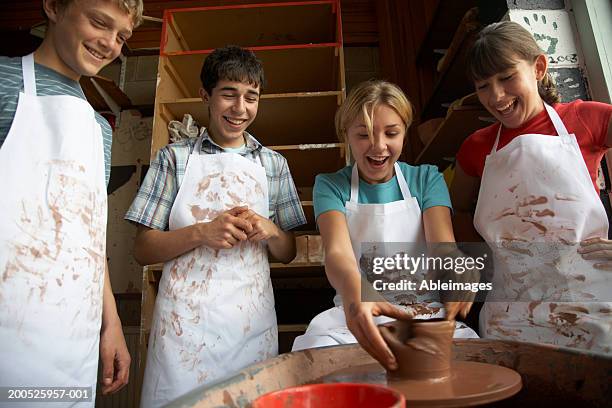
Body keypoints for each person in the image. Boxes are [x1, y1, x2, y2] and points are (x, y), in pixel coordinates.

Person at [126, 45, 306, 407]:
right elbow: (142, 249)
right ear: (205, 94)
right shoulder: (174, 158)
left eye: (251, 97)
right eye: (229, 94)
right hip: (183, 328)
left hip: (249, 324)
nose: (240, 108)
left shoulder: (273, 164)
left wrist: (269, 230)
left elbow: (289, 253)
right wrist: (201, 232)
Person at [0, 0, 142, 405]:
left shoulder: (98, 127)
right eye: (100, 22)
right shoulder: (5, 82)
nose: (110, 44)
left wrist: (110, 323)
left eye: (122, 36)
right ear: (53, 7)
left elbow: (89, 237)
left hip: (72, 337)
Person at [292, 80, 478, 371]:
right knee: (314, 357)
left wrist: (461, 266)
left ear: (404, 131)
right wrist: (356, 298)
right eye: (363, 135)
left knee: (472, 359)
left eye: (391, 133)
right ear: (347, 136)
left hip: (420, 312)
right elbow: (337, 254)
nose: (378, 146)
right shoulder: (330, 185)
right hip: (355, 308)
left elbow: (444, 249)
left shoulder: (427, 179)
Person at [451, 21, 612, 354]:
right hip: (512, 311)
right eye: (483, 86)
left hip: (591, 301)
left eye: (507, 77)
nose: (496, 96)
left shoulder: (584, 119)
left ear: (538, 67)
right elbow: (458, 208)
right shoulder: (475, 147)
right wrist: (477, 263)